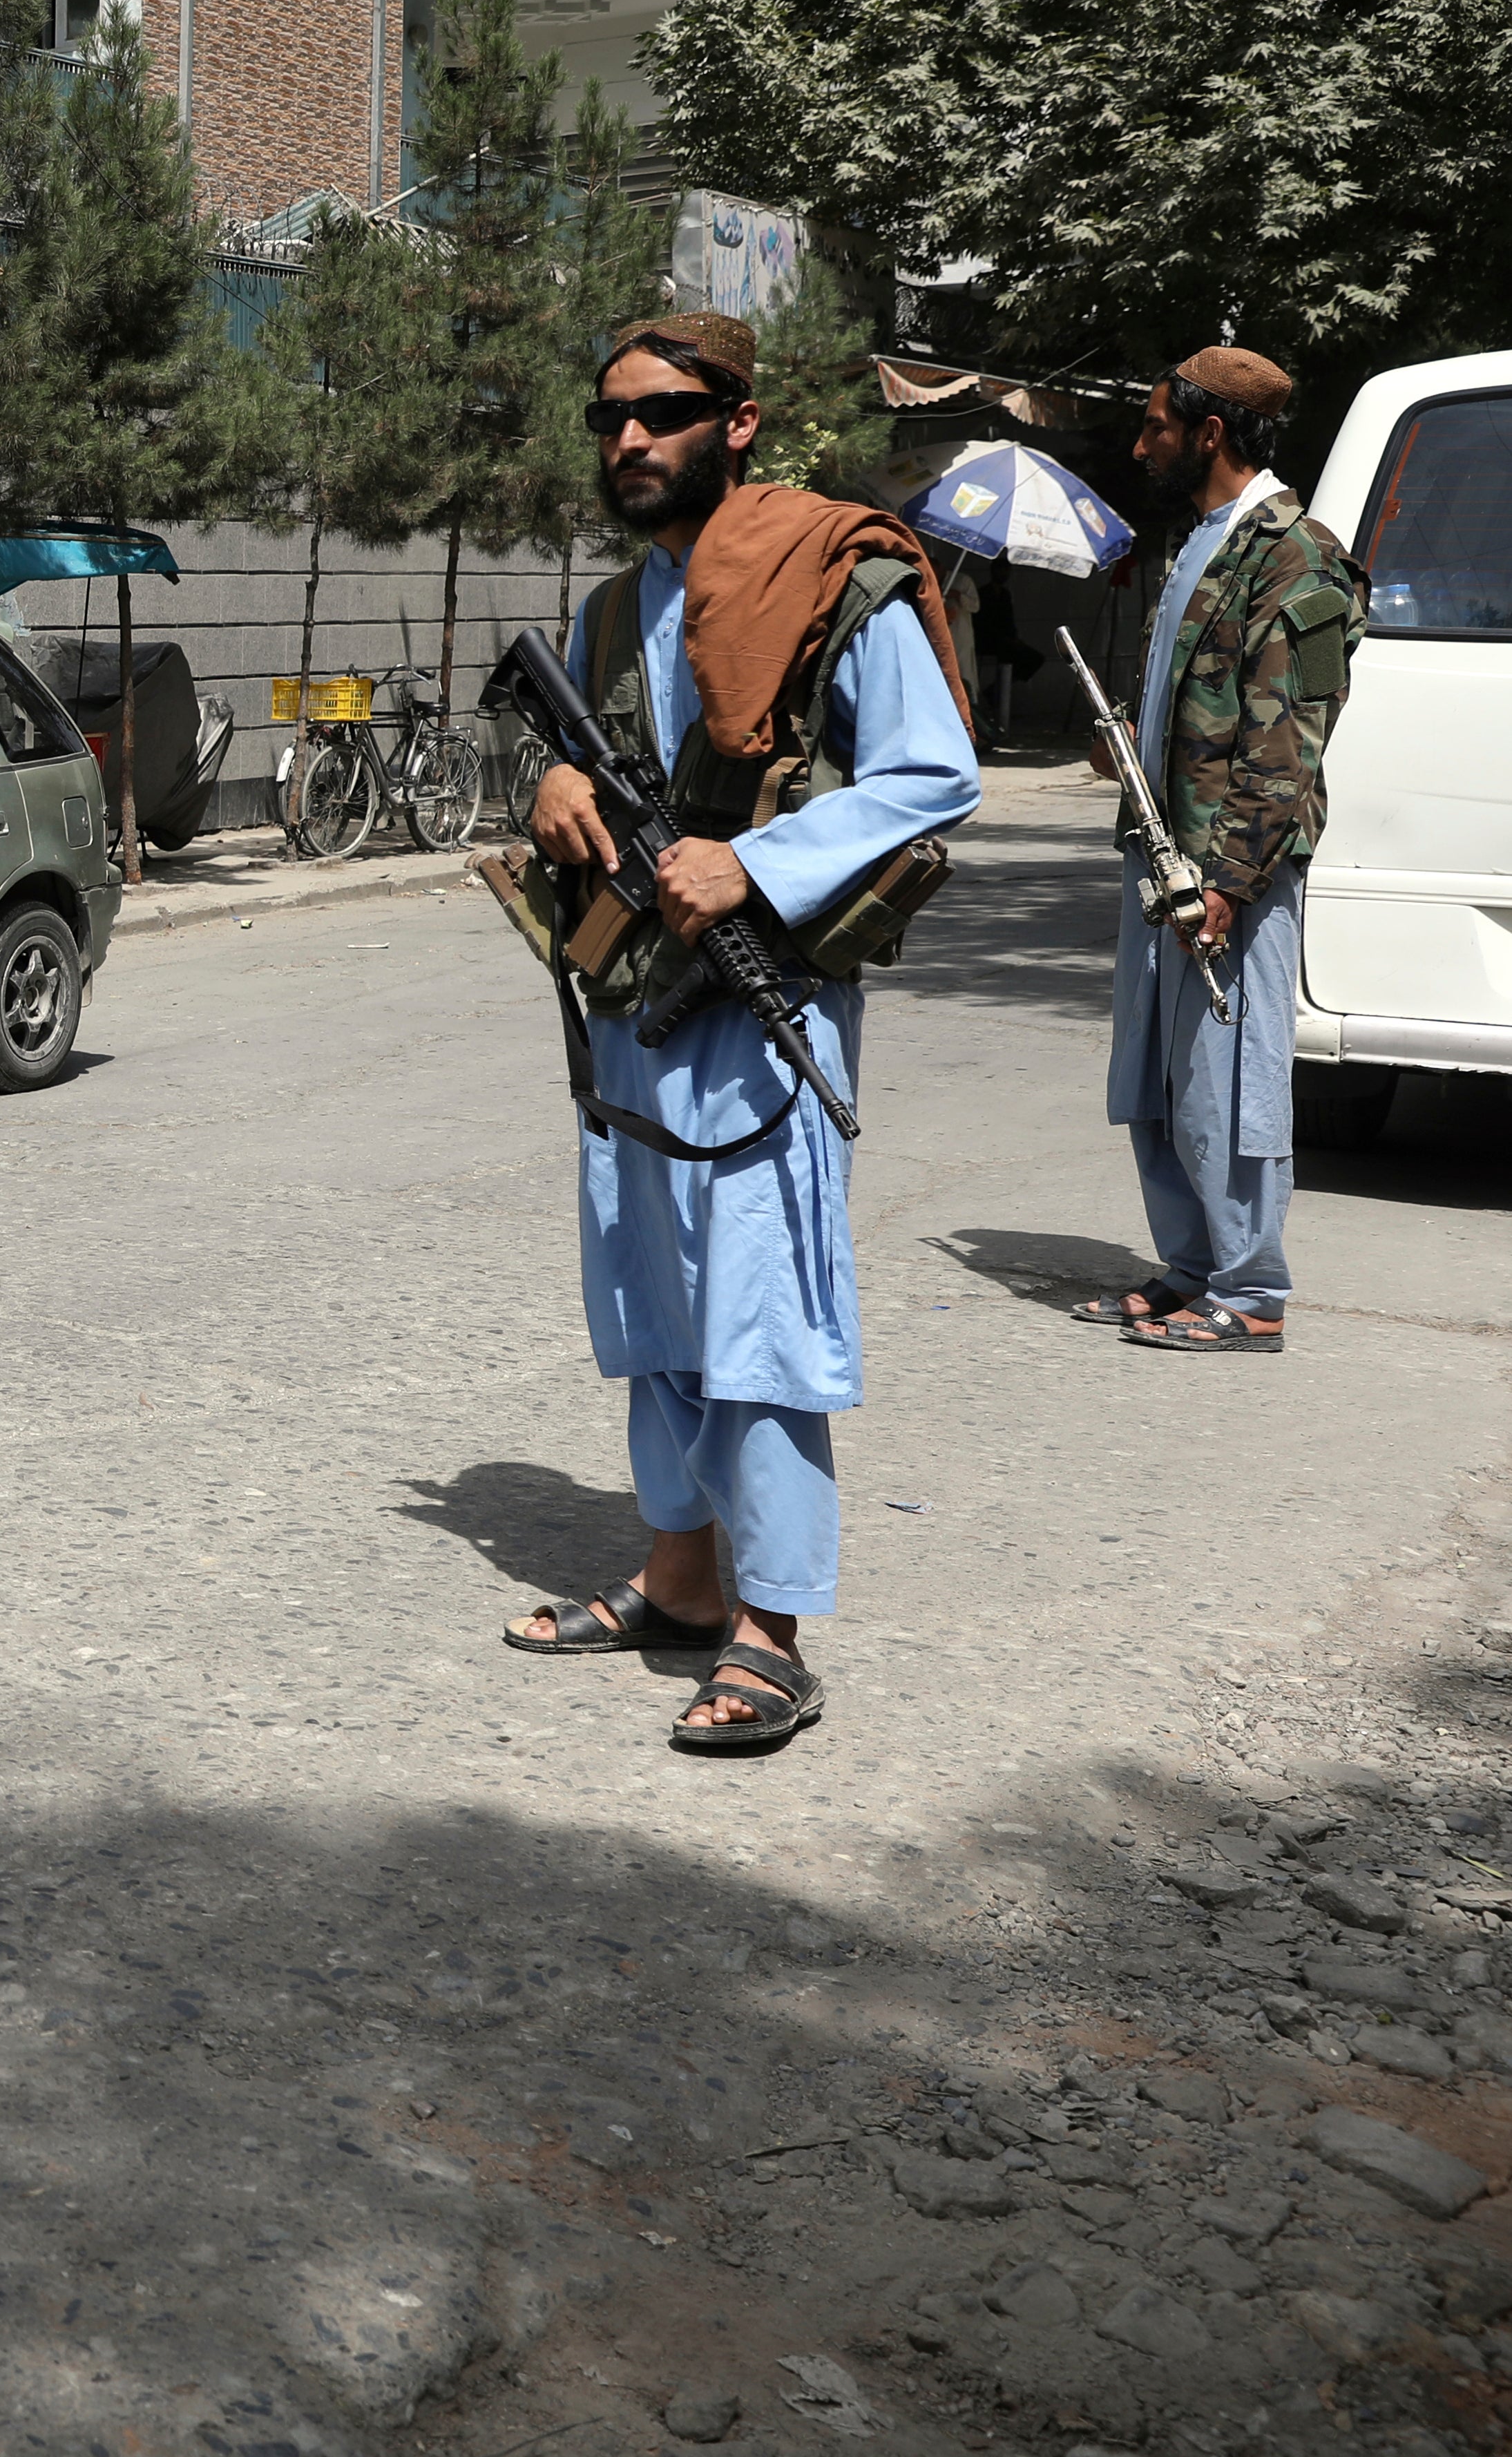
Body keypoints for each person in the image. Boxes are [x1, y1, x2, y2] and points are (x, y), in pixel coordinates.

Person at [499, 310, 982, 1751]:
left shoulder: (841, 576)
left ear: (738, 421)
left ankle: (770, 1628)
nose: (629, 440)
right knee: (648, 1299)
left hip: (761, 1010)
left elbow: (929, 774)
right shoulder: (604, 610)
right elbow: (577, 764)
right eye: (608, 420)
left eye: (661, 411)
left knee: (761, 1319)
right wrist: (548, 796)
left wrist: (753, 863)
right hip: (630, 1008)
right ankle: (679, 1572)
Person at [1080, 348, 1361, 1352]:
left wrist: (1232, 885)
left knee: (1228, 1077)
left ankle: (1251, 1290)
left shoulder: (1297, 555)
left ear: (1209, 433)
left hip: (1224, 875)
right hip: (1161, 864)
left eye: (1156, 425)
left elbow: (1287, 740)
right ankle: (1189, 1267)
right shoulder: (1203, 541)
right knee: (1158, 1074)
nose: (1140, 441)